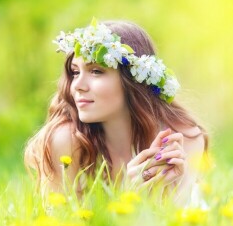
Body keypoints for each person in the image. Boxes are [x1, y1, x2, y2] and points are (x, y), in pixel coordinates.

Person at [24, 18, 209, 206]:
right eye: (75, 72)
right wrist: (130, 198)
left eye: (96, 71)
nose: (77, 85)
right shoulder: (66, 142)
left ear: (133, 80)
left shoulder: (185, 138)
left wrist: (168, 192)